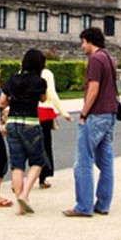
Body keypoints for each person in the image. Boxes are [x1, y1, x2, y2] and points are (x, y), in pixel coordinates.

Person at [65, 27, 119, 218]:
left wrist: (83, 113)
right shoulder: (108, 58)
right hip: (110, 113)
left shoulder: (95, 59)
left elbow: (93, 89)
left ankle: (83, 206)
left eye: (83, 42)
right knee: (105, 162)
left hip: (96, 114)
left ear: (89, 41)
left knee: (83, 161)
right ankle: (103, 204)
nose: (82, 46)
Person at [1, 49, 49, 214]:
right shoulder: (39, 81)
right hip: (30, 122)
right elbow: (43, 99)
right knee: (37, 161)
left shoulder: (13, 78)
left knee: (17, 164)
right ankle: (25, 194)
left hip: (13, 122)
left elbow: (2, 101)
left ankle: (20, 206)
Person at [36, 61, 72, 189]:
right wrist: (63, 112)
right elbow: (51, 94)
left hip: (29, 112)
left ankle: (17, 178)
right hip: (44, 111)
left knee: (25, 147)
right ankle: (43, 177)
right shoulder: (46, 74)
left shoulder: (22, 74)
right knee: (45, 145)